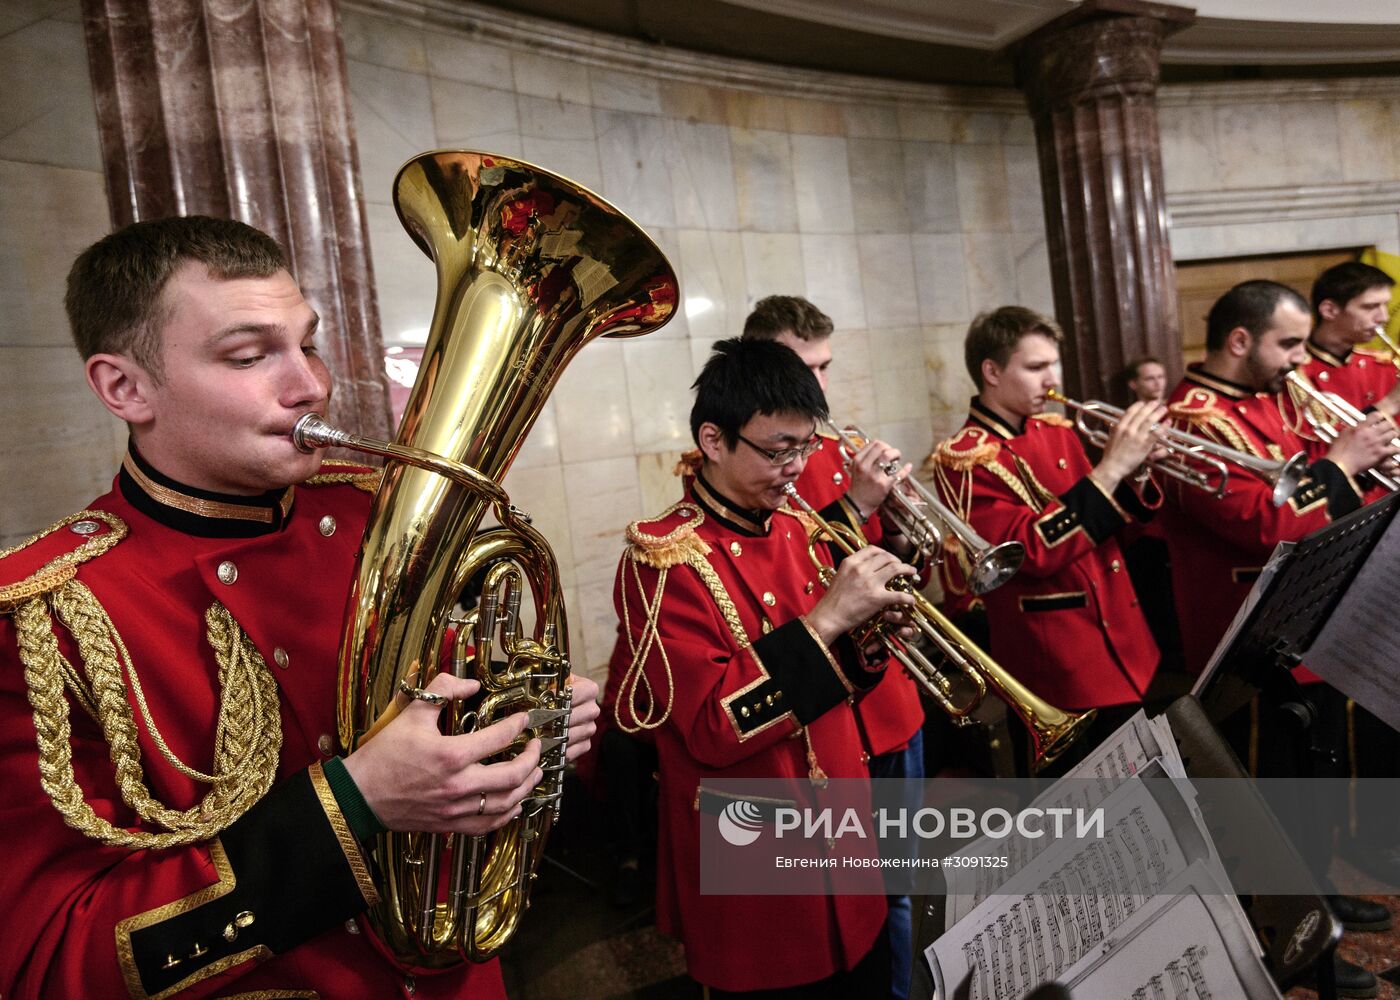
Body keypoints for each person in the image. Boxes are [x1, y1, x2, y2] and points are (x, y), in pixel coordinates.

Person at [0, 216, 599, 999]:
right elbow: (52, 959)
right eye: (250, 356)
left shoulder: (375, 519)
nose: (311, 385)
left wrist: (518, 732)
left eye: (308, 343)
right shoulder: (46, 614)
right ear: (125, 388)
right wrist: (353, 808)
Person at [611, 337, 915, 996]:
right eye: (778, 450)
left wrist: (870, 643)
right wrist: (830, 620)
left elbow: (840, 690)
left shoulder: (800, 530)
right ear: (715, 441)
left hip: (844, 835)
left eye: (805, 448)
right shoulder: (662, 560)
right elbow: (714, 727)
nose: (797, 469)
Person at [1158, 279, 1397, 997]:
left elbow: (1317, 504)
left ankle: (1319, 894)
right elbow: (1261, 524)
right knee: (1268, 797)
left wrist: (1360, 461)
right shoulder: (1189, 419)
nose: (1300, 360)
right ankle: (1281, 936)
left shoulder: (1271, 397)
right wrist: (1340, 463)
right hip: (1248, 640)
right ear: (1240, 341)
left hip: (1310, 621)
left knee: (1312, 778)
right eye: (1288, 344)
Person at [741, 295, 927, 1000]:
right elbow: (783, 584)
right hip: (833, 716)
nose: (819, 386)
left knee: (901, 886)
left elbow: (889, 572)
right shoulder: (753, 460)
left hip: (894, 700)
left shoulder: (838, 448)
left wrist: (907, 532)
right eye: (801, 366)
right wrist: (858, 506)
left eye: (824, 365)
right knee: (858, 897)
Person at [926, 306, 1163, 773]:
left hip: (1125, 636)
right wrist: (1111, 468)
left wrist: (1135, 473)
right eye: (1035, 367)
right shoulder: (963, 458)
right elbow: (1028, 553)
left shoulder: (1056, 430)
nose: (1051, 378)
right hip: (1059, 660)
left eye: (1053, 364)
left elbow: (1112, 525)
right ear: (991, 372)